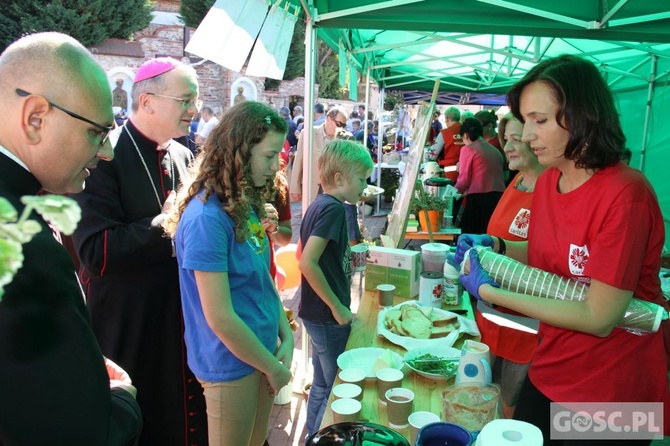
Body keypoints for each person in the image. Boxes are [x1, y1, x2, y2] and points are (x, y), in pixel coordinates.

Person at [458, 54, 670, 443]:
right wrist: (499, 245)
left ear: (581, 115)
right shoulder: (548, 182)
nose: (526, 135)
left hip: (613, 394)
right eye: (526, 121)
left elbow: (598, 315)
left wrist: (490, 292)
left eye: (540, 120)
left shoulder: (626, 194)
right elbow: (548, 251)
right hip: (553, 364)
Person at [0, 31, 141, 445]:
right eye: (97, 132)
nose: (107, 153)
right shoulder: (21, 244)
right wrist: (121, 400)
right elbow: (79, 432)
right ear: (35, 118)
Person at [71, 57, 208, 446]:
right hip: (129, 319)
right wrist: (166, 226)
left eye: (193, 100)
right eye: (184, 100)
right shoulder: (104, 155)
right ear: (146, 101)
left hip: (177, 313)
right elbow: (95, 250)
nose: (193, 110)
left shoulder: (182, 154)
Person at [164, 101, 293, 446]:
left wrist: (287, 336)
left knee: (256, 440)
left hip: (263, 353)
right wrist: (273, 366)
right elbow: (220, 317)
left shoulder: (243, 202)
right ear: (239, 151)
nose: (276, 165)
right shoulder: (206, 219)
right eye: (268, 156)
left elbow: (262, 282)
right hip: (230, 365)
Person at [298, 139, 374, 436]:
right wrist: (337, 306)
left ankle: (311, 434)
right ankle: (322, 437)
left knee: (321, 383)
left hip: (317, 315)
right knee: (335, 389)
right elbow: (307, 262)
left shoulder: (322, 203)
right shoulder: (332, 209)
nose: (365, 185)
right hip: (326, 316)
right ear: (340, 178)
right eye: (362, 178)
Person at [474, 114, 545, 419]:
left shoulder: (551, 190)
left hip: (525, 323)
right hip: (491, 311)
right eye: (507, 139)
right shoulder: (517, 180)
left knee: (510, 405)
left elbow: (542, 257)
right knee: (480, 394)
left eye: (517, 139)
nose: (509, 147)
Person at [289, 106, 362, 244]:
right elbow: (299, 160)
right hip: (314, 187)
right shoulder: (309, 133)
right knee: (313, 225)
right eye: (339, 124)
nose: (341, 128)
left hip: (335, 190)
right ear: (329, 118)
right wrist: (295, 188)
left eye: (344, 125)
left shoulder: (344, 138)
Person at [454, 117, 505, 233]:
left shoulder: (468, 149)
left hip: (478, 200)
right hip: (498, 198)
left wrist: (451, 195)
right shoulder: (495, 150)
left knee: (470, 235)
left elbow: (464, 180)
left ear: (466, 135)